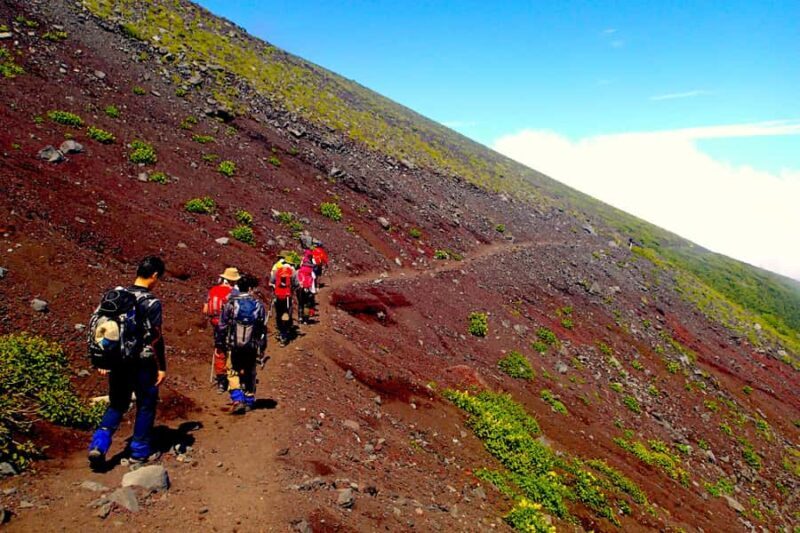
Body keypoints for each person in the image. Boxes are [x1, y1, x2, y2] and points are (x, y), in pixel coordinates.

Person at [88, 256, 166, 469]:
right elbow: (156, 338)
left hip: (117, 362)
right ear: (155, 275)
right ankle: (139, 452)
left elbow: (102, 328)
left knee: (117, 403)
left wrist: (102, 358)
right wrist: (162, 367)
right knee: (146, 403)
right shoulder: (151, 302)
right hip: (142, 362)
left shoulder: (116, 295)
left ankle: (99, 445)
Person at [219, 273, 266, 415]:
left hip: (234, 344)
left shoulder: (231, 303)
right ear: (251, 288)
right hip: (251, 345)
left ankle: (237, 399)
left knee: (232, 370)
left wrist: (220, 341)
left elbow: (222, 325)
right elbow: (262, 327)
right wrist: (262, 346)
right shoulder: (258, 305)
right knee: (250, 370)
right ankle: (249, 399)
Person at [203, 267, 240, 392]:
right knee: (231, 349)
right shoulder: (234, 293)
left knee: (219, 350)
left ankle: (221, 381)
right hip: (230, 325)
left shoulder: (212, 290)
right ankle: (232, 378)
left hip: (216, 324)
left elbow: (205, 310)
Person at [269, 252, 296, 345]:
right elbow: (297, 284)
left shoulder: (277, 270)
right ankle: (284, 335)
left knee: (279, 314)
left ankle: (280, 331)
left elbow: (271, 282)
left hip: (278, 296)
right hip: (288, 297)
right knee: (286, 315)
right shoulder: (293, 271)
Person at [295, 251, 317, 324]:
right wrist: (313, 292)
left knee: (300, 303)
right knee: (307, 304)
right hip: (308, 289)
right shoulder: (311, 273)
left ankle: (300, 317)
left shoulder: (299, 272)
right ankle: (306, 319)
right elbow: (313, 282)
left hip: (300, 289)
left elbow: (296, 281)